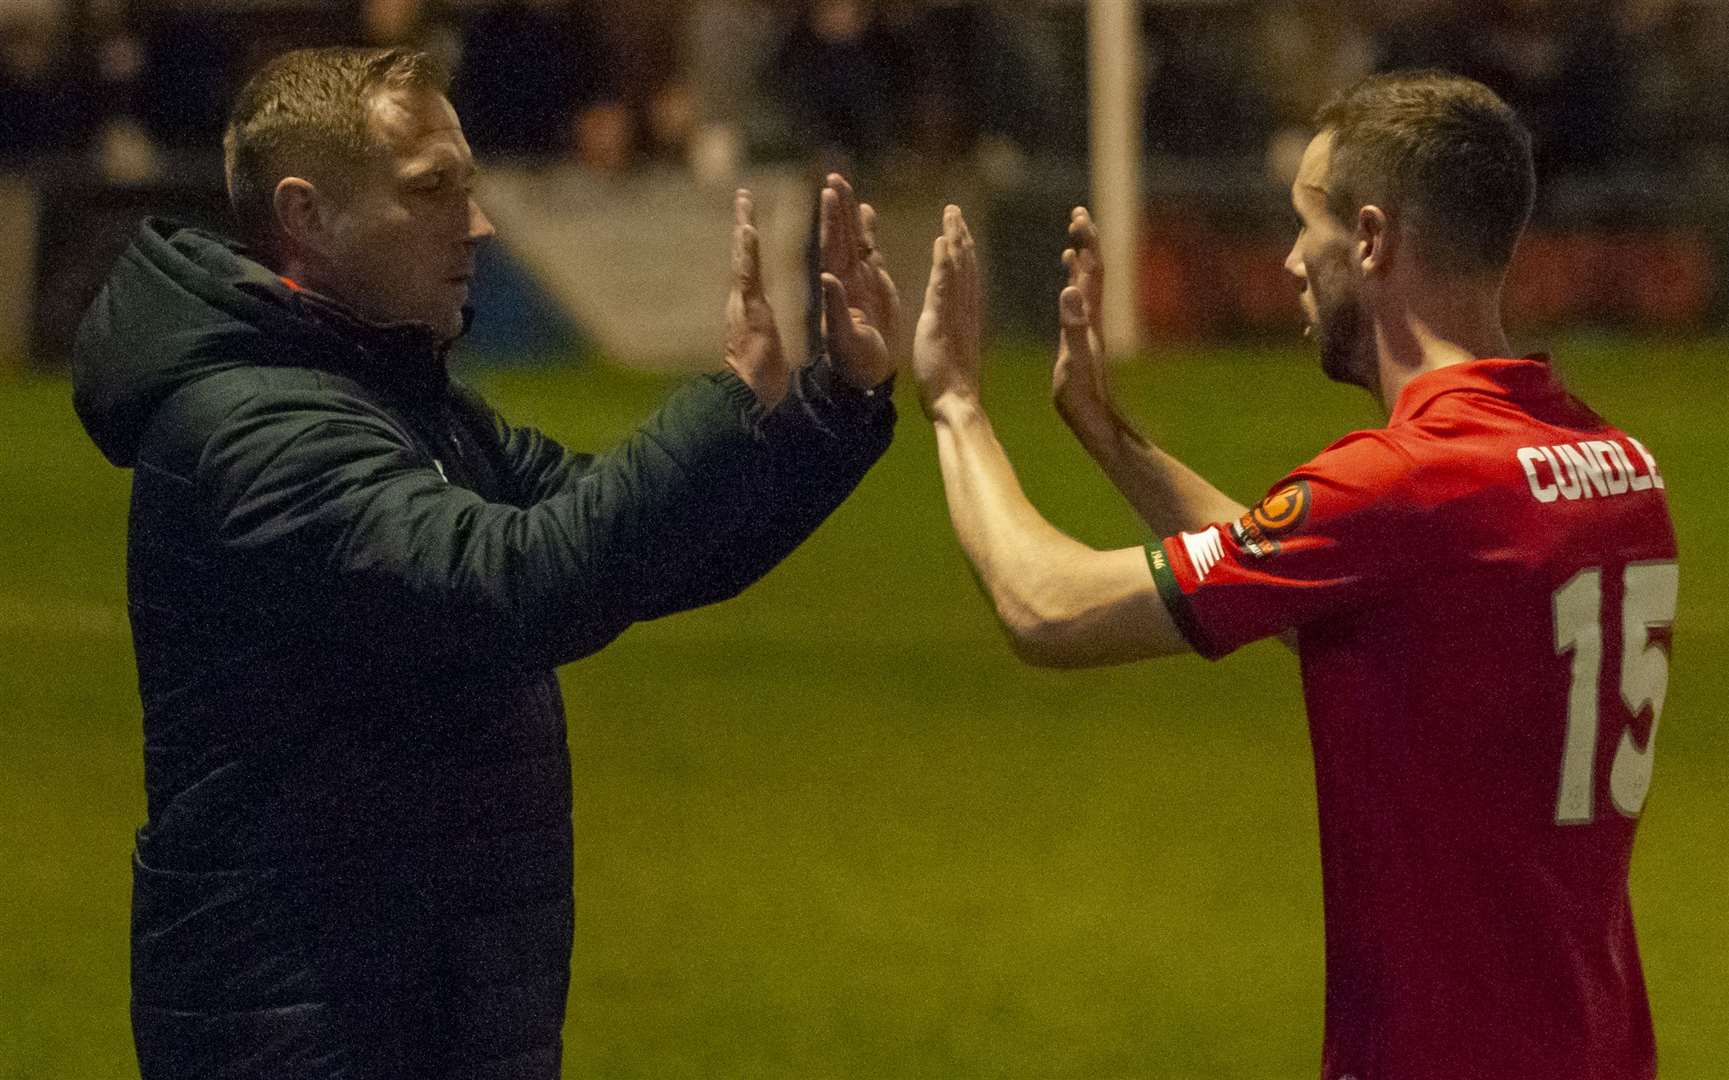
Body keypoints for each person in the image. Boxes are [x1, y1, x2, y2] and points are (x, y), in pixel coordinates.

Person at [71, 46, 899, 1079]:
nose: (478, 225)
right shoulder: (252, 432)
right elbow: (517, 585)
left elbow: (631, 548)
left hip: (416, 999)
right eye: (431, 191)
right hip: (307, 1024)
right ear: (307, 216)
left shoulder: (388, 394)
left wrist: (831, 407)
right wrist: (728, 403)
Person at [909, 71, 1675, 1079]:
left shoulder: (1407, 484)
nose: (1287, 262)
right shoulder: (1617, 469)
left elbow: (1042, 606)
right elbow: (1332, 589)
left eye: (1301, 224)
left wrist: (955, 404)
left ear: (1369, 238)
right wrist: (1111, 438)